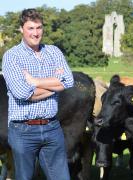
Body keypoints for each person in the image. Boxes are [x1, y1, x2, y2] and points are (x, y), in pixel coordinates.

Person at [2, 8, 74, 180]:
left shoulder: (53, 52)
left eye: (39, 28)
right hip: (23, 131)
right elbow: (22, 93)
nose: (36, 33)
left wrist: (35, 81)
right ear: (21, 29)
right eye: (31, 28)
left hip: (52, 127)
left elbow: (69, 82)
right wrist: (56, 83)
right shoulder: (12, 56)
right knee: (24, 177)